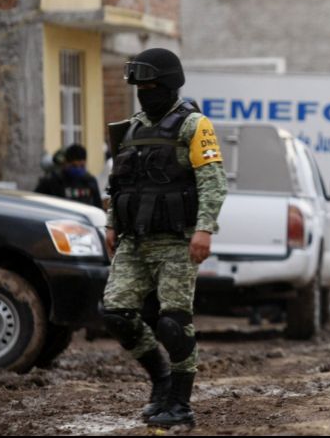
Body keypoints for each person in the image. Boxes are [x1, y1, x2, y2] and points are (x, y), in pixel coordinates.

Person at [102, 48, 228, 428]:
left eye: (152, 85)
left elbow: (213, 182)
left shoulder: (193, 125)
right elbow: (118, 183)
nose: (145, 92)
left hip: (176, 241)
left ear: (170, 84)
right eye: (140, 86)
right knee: (115, 314)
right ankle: (161, 378)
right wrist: (111, 223)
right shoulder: (133, 128)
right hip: (134, 241)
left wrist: (204, 229)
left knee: (174, 324)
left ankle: (180, 404)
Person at [35, 144, 102, 208]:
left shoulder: (90, 181)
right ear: (66, 163)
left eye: (81, 166)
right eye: (74, 166)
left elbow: (98, 207)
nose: (78, 169)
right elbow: (36, 202)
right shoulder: (53, 181)